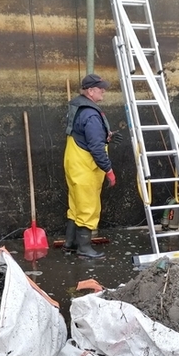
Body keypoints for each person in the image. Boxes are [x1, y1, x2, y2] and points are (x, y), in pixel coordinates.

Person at [63, 74, 122, 258]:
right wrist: (109, 170)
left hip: (73, 163)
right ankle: (84, 248)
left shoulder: (79, 108)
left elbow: (84, 135)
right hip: (85, 168)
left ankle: (70, 243)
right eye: (100, 88)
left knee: (76, 205)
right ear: (90, 91)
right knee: (88, 207)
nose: (103, 91)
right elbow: (96, 148)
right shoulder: (91, 114)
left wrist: (107, 136)